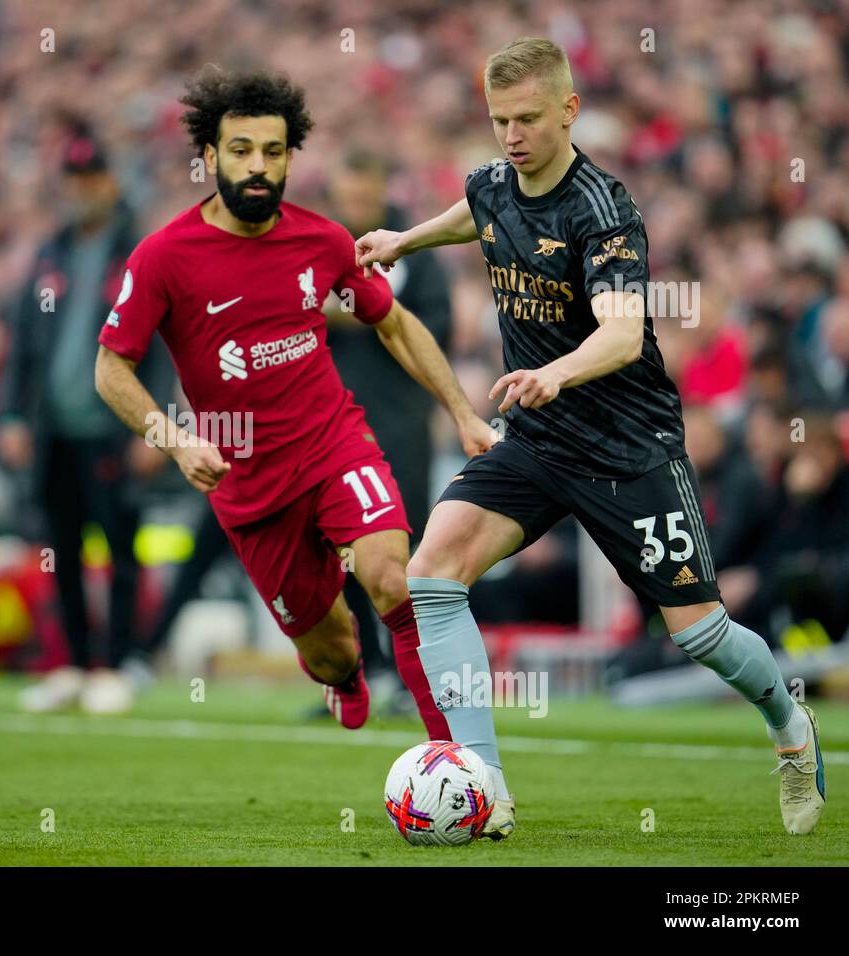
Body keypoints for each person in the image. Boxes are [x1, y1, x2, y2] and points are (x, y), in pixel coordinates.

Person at [357, 37, 825, 837]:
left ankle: (790, 724)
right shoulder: (493, 180)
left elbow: (621, 332)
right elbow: (477, 212)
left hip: (628, 449)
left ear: (569, 110)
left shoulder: (604, 209)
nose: (511, 135)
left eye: (528, 119)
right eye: (499, 119)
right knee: (431, 573)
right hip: (538, 441)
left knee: (701, 634)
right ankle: (485, 785)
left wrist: (557, 374)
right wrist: (404, 241)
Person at [95, 67, 496, 734]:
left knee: (394, 579)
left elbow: (392, 322)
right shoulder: (163, 257)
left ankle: (454, 757)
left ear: (290, 158)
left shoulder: (324, 240)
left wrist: (461, 411)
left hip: (334, 442)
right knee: (331, 648)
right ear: (210, 157)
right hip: (248, 483)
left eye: (274, 152)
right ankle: (345, 678)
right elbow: (111, 368)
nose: (259, 167)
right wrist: (175, 440)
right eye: (242, 150)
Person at [0, 130, 171, 715]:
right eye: (72, 181)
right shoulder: (51, 251)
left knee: (120, 547)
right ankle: (73, 662)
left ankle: (121, 662)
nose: (81, 191)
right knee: (62, 548)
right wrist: (13, 413)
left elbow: (166, 339)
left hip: (114, 424)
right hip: (55, 428)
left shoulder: (135, 249)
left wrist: (156, 424)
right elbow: (23, 339)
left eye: (90, 179)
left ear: (109, 182)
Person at [323, 147, 454, 713]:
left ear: (381, 187)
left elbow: (435, 327)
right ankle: (369, 669)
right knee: (344, 545)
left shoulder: (408, 247)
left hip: (400, 421)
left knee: (409, 546)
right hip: (335, 423)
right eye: (345, 196)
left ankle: (416, 675)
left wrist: (343, 308)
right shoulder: (323, 245)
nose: (354, 206)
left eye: (362, 195)